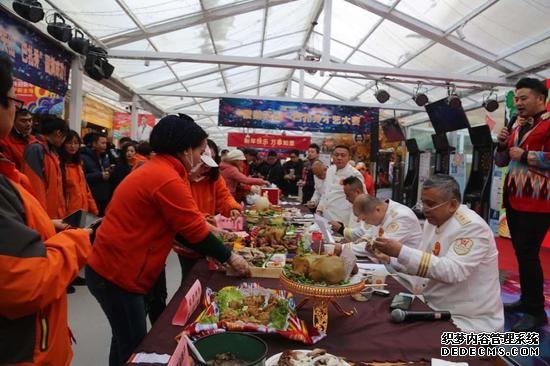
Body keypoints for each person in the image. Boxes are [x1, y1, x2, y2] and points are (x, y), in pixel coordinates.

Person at [86, 114, 251, 366]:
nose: (201, 157)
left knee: (122, 340)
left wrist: (213, 232)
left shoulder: (160, 169)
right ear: (186, 150)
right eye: (200, 150)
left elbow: (182, 222)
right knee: (134, 345)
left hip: (114, 269)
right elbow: (193, 231)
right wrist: (231, 258)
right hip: (118, 274)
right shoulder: (165, 177)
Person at [0, 50, 92, 366]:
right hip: (22, 350)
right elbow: (27, 284)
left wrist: (44, 226)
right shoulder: (35, 154)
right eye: (15, 103)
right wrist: (79, 240)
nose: (19, 114)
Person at [373, 175, 504, 332]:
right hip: (436, 307)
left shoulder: (472, 227)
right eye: (423, 202)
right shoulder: (433, 220)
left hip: (469, 320)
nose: (424, 209)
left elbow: (453, 271)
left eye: (431, 204)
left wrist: (401, 251)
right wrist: (391, 258)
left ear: (453, 204)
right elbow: (424, 262)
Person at [494, 77, 550, 331]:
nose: (518, 103)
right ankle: (527, 301)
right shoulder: (516, 126)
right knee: (522, 254)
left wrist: (528, 155)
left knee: (528, 255)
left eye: (523, 98)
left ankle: (536, 311)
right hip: (514, 199)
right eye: (516, 99)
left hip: (539, 201)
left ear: (541, 98)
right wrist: (502, 143)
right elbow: (501, 161)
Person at [353, 193, 423, 290]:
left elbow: (378, 246)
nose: (365, 222)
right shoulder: (381, 214)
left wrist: (344, 248)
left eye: (364, 219)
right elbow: (370, 239)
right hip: (388, 268)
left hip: (404, 277)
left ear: (377, 209)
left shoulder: (401, 216)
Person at [21, 115, 68, 219]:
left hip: (52, 216)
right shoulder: (36, 149)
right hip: (42, 216)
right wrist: (42, 217)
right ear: (59, 133)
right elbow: (35, 187)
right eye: (65, 137)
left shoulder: (51, 151)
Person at [316, 145, 364, 225]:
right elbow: (325, 192)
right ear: (332, 156)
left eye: (343, 155)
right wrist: (319, 209)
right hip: (326, 217)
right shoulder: (330, 170)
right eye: (336, 155)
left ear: (349, 158)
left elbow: (361, 198)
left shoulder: (354, 174)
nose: (339, 158)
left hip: (342, 219)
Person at [60, 129, 98, 216]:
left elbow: (85, 189)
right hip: (67, 213)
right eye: (69, 143)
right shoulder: (59, 164)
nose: (73, 146)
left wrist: (93, 209)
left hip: (82, 210)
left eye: (76, 143)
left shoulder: (79, 164)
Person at [81, 132, 112, 216]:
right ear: (94, 143)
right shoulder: (83, 157)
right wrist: (100, 175)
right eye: (102, 143)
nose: (105, 145)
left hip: (104, 196)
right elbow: (81, 177)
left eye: (106, 143)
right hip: (92, 197)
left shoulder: (104, 156)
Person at [329, 176, 366, 241]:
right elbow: (352, 226)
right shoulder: (356, 204)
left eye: (348, 195)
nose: (346, 198)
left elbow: (363, 232)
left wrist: (341, 229)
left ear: (357, 192)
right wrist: (341, 226)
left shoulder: (368, 207)